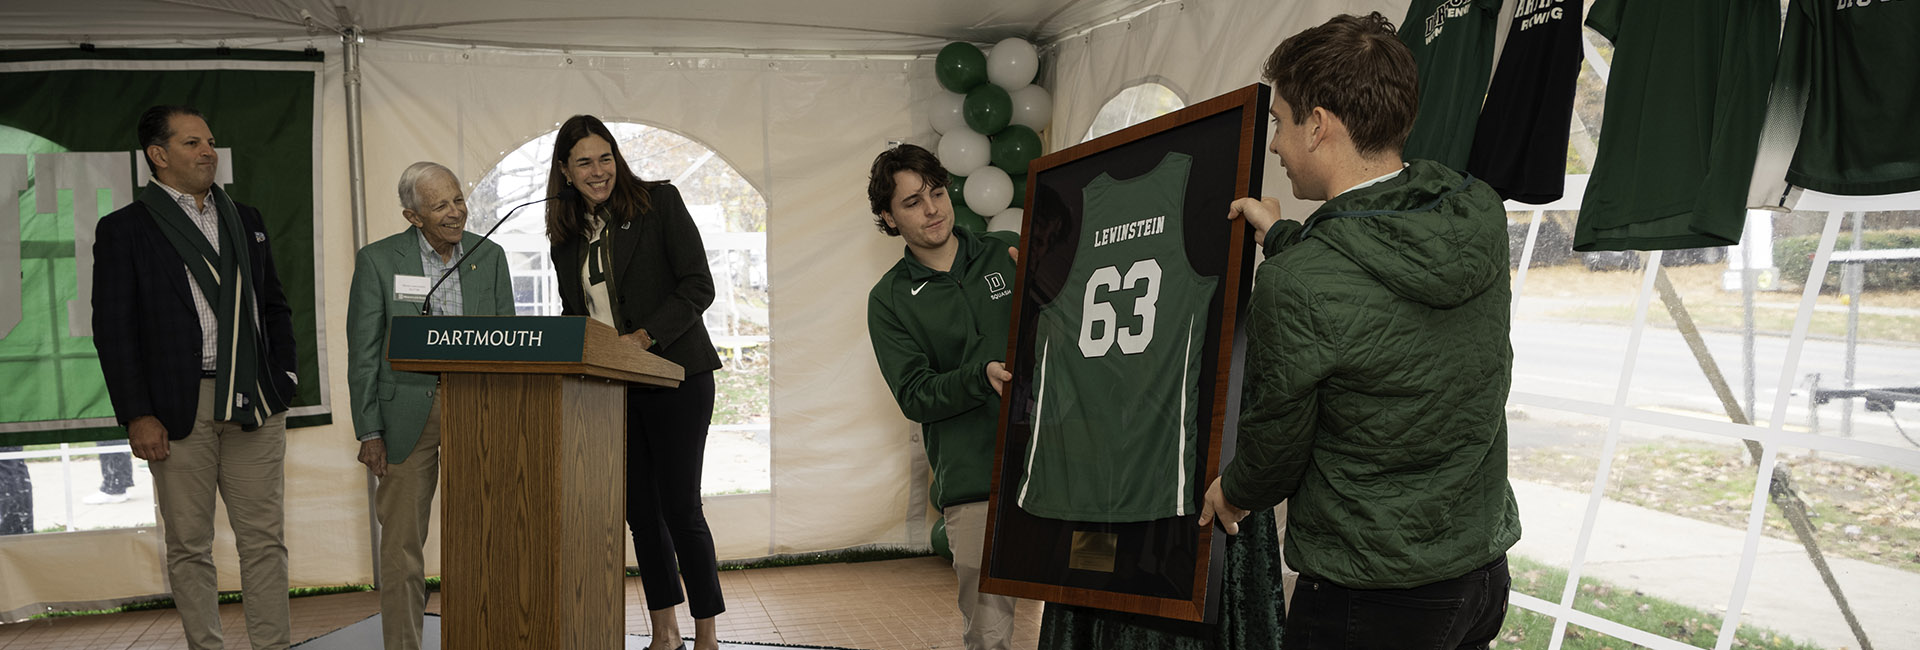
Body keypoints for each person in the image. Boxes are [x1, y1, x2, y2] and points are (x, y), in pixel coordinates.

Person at [1198, 13, 1521, 650]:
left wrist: (1232, 493)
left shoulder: (1300, 284)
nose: (1275, 145)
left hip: (1374, 595)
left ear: (1318, 125)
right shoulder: (1474, 207)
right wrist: (1284, 235)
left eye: (1281, 123)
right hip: (1480, 573)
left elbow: (1276, 449)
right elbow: (1378, 277)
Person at [92, 105, 299, 650]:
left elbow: (275, 308)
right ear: (158, 156)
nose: (208, 151)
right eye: (191, 143)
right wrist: (138, 413)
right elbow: (115, 332)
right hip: (177, 408)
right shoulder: (124, 231)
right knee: (189, 545)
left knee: (264, 541)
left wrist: (284, 378)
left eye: (210, 141)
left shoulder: (246, 219)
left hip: (254, 401)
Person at [545, 114, 725, 650]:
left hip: (676, 376)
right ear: (565, 171)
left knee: (680, 508)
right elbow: (574, 311)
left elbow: (698, 285)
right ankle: (664, 632)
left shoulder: (658, 202)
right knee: (640, 515)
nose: (598, 171)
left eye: (606, 157)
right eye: (584, 162)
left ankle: (707, 634)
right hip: (612, 389)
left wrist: (645, 337)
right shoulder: (564, 238)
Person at [347, 161, 515, 649]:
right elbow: (364, 350)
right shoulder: (378, 261)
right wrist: (369, 430)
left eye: (458, 200)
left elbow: (508, 344)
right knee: (401, 548)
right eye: (440, 205)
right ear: (412, 215)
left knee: (483, 539)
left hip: (477, 412)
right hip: (404, 415)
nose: (455, 213)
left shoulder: (492, 255)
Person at [864, 143, 1021, 650]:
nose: (932, 209)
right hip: (973, 480)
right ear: (888, 217)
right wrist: (980, 376)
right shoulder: (887, 300)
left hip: (1056, 465)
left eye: (936, 192)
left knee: (1081, 608)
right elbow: (914, 393)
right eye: (912, 203)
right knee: (989, 634)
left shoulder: (1007, 251)